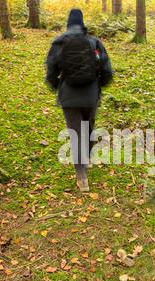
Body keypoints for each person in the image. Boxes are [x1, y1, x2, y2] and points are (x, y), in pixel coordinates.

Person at [46, 9, 113, 192]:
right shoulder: (94, 42)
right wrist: (100, 86)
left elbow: (51, 72)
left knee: (75, 133)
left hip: (69, 96)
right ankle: (88, 158)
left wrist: (57, 87)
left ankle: (81, 176)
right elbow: (107, 70)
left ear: (68, 24)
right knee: (88, 127)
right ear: (82, 24)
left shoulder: (59, 43)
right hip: (91, 95)